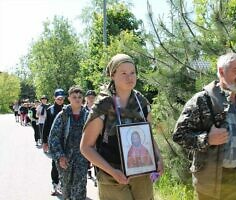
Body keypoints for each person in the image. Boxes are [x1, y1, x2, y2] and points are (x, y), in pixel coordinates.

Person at [173, 52, 236, 200]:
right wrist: (207, 139)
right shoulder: (203, 100)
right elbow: (179, 135)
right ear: (222, 71)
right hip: (214, 184)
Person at [80, 53, 164, 200]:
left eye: (132, 72)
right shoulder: (103, 105)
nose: (129, 77)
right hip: (112, 176)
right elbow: (86, 147)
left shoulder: (142, 102)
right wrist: (112, 171)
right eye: (123, 73)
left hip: (142, 174)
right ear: (112, 75)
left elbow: (149, 136)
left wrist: (158, 157)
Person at [48, 86, 89, 200]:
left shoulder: (88, 116)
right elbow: (54, 138)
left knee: (80, 188)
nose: (77, 99)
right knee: (67, 189)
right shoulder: (63, 115)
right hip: (65, 158)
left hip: (82, 158)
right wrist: (60, 157)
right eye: (74, 97)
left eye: (80, 97)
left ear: (83, 99)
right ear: (69, 98)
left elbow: (94, 137)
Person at [42, 88, 65, 196]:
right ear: (55, 98)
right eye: (58, 98)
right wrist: (44, 142)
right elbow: (46, 127)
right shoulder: (50, 110)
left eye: (62, 98)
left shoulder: (67, 109)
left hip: (65, 141)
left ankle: (63, 184)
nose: (60, 100)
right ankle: (55, 185)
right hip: (53, 142)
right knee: (55, 164)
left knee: (65, 163)